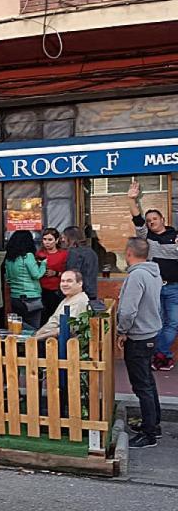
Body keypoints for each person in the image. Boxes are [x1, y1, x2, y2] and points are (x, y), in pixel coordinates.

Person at [116, 237, 163, 448]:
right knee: (148, 382)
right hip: (151, 332)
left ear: (129, 253)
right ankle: (154, 423)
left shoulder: (137, 276)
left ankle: (149, 433)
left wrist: (121, 331)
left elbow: (128, 310)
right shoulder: (153, 272)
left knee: (142, 385)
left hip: (138, 335)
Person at [129, 179, 178, 371]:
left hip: (174, 287)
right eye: (149, 221)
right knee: (155, 323)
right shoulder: (146, 238)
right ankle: (162, 356)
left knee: (173, 323)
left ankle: (159, 353)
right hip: (155, 287)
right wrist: (132, 199)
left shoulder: (175, 236)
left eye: (154, 219)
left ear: (163, 219)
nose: (150, 222)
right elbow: (137, 218)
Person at [5, 231, 46, 330]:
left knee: (19, 327)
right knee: (33, 327)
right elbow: (36, 274)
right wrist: (44, 264)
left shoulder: (8, 259)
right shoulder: (27, 256)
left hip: (15, 297)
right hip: (31, 297)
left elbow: (8, 279)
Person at [33, 270, 90, 340]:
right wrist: (37, 334)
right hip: (47, 339)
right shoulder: (69, 297)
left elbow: (66, 329)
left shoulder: (79, 301)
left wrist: (36, 338)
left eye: (69, 281)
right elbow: (53, 322)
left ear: (80, 283)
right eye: (62, 281)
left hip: (62, 345)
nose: (65, 284)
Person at [37, 228, 68, 326]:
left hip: (57, 291)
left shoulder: (63, 254)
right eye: (45, 239)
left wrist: (55, 273)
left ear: (57, 240)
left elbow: (69, 272)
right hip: (41, 290)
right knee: (43, 318)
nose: (47, 242)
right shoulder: (39, 254)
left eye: (50, 240)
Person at [61, 226, 99, 302]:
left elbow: (72, 275)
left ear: (70, 238)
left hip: (79, 294)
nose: (62, 240)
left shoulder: (74, 253)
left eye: (64, 237)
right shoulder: (91, 252)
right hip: (91, 292)